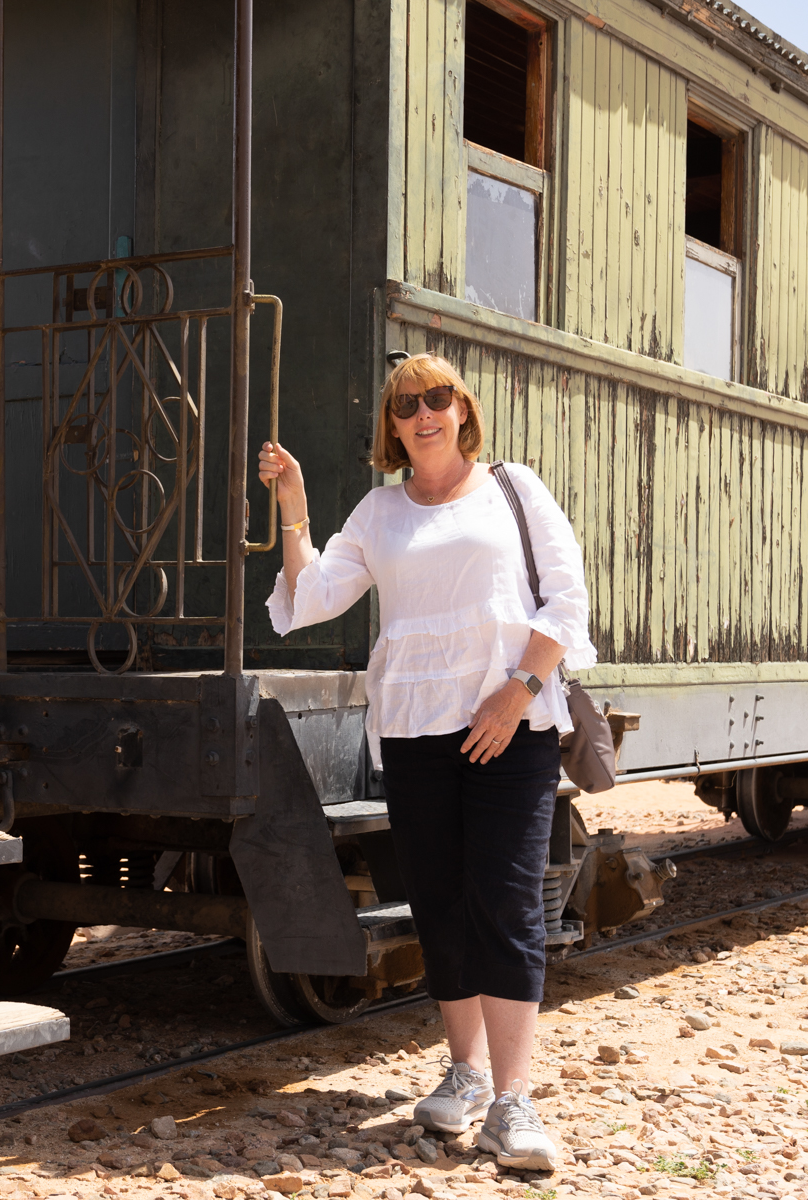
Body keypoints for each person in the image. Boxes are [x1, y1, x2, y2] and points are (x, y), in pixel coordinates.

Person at [259, 353, 597, 1171]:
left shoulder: (515, 489)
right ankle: (467, 1073)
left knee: (507, 902)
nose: (423, 414)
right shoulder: (379, 513)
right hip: (415, 732)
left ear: (462, 410)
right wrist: (294, 512)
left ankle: (515, 1100)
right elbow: (310, 601)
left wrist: (516, 692)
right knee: (441, 904)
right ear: (393, 426)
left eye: (438, 398)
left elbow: (569, 600)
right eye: (407, 404)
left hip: (507, 727)